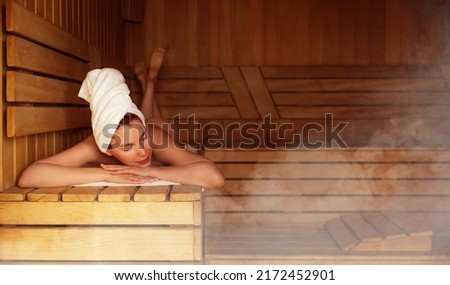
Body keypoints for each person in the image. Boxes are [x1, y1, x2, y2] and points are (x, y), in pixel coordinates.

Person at [18, 48, 225, 188]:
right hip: (147, 125)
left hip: (168, 137)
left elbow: (214, 177)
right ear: (107, 149)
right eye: (127, 147)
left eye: (141, 138)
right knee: (152, 120)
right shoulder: (95, 146)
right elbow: (30, 176)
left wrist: (149, 172)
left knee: (156, 123)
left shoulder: (154, 137)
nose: (143, 151)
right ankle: (149, 82)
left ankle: (149, 82)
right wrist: (107, 175)